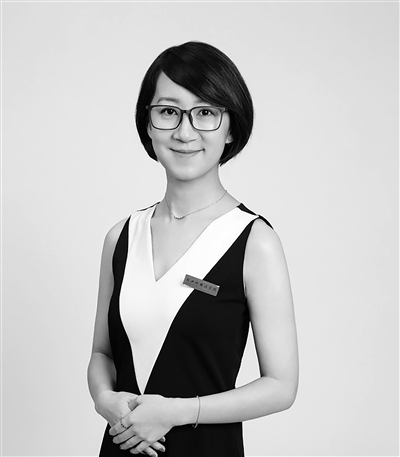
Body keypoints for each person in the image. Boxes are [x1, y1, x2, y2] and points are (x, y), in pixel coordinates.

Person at [87, 41, 299, 457]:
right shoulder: (121, 236)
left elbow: (281, 386)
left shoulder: (254, 241)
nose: (185, 132)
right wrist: (104, 399)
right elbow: (102, 353)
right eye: (168, 112)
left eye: (205, 113)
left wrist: (178, 412)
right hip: (120, 447)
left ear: (231, 127)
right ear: (148, 124)